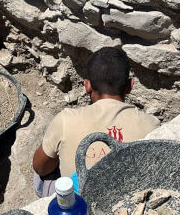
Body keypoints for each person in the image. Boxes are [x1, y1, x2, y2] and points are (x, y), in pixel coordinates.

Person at [32, 47, 160, 197]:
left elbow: (40, 168)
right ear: (130, 86)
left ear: (87, 85)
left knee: (42, 176)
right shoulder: (151, 125)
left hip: (81, 206)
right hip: (127, 204)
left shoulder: (65, 120)